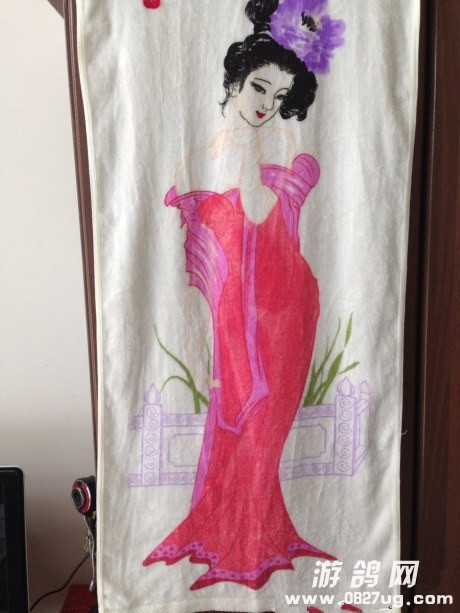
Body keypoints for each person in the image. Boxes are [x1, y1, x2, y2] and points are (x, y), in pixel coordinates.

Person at [143, 0, 345, 590]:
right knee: (231, 424)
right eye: (259, 87)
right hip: (233, 311)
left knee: (263, 431)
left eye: (279, 97)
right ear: (234, 80)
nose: (266, 104)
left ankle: (253, 544)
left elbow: (261, 214)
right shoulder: (201, 154)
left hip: (287, 309)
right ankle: (220, 537)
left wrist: (251, 155)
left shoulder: (273, 146)